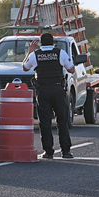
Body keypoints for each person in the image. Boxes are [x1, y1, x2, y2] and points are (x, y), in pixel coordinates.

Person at [23, 30, 74, 159]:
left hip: (43, 91)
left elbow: (25, 67)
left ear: (40, 43)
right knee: (62, 121)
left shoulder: (35, 54)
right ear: (53, 42)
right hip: (58, 90)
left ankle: (48, 152)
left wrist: (30, 51)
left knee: (45, 122)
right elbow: (71, 69)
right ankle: (66, 151)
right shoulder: (60, 53)